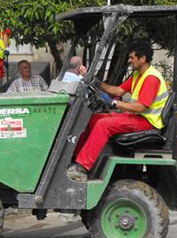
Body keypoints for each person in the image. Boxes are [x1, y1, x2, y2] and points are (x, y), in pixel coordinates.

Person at [67, 41, 168, 182]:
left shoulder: (151, 78)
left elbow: (141, 107)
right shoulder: (138, 75)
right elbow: (117, 90)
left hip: (147, 122)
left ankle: (82, 167)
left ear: (142, 58)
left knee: (104, 125)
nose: (129, 60)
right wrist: (94, 81)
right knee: (93, 119)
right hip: (136, 117)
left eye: (132, 57)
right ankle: (75, 158)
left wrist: (114, 102)